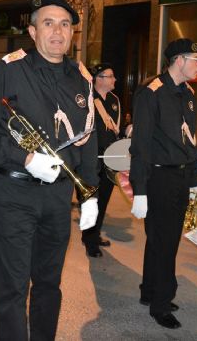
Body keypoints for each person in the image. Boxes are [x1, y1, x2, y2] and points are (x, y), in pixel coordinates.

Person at [0, 0, 99, 340]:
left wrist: (90, 194)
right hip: (15, 192)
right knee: (12, 284)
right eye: (49, 23)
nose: (58, 31)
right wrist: (25, 158)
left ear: (73, 33)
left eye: (65, 24)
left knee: (49, 282)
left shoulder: (80, 76)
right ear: (33, 31)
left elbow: (88, 137)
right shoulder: (9, 69)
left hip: (58, 196)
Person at [129, 38, 197, 330]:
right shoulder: (151, 93)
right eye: (195, 59)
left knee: (162, 240)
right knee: (164, 241)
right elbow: (141, 144)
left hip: (182, 176)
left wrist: (194, 179)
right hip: (160, 178)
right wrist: (141, 189)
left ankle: (150, 291)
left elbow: (192, 141)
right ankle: (161, 303)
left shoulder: (188, 94)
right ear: (179, 61)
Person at [81, 62, 120, 258]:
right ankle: (89, 240)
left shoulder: (114, 100)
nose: (114, 80)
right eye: (110, 76)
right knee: (90, 201)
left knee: (103, 200)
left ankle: (94, 234)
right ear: (98, 79)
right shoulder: (87, 99)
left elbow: (115, 128)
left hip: (109, 157)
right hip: (90, 158)